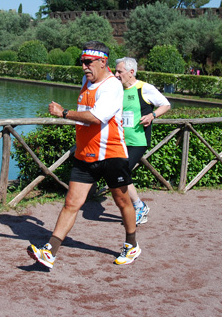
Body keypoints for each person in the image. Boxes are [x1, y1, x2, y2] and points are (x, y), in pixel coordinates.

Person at [27, 41, 140, 269]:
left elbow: (97, 118)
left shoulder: (112, 86)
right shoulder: (86, 81)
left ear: (103, 62)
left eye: (88, 63)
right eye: (82, 62)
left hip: (111, 154)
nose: (84, 67)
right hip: (85, 154)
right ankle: (50, 251)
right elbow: (86, 114)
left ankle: (131, 244)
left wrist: (64, 113)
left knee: (122, 201)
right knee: (71, 203)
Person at [114, 57, 171, 225]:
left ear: (131, 72)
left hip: (138, 140)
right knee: (120, 173)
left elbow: (165, 104)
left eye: (119, 72)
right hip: (120, 140)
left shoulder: (144, 88)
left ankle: (139, 207)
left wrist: (152, 115)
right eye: (115, 71)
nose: (116, 75)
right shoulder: (117, 89)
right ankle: (138, 207)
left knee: (121, 172)